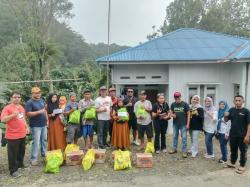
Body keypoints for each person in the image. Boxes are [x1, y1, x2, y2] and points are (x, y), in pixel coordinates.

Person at [1, 91, 29, 177]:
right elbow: (3, 120)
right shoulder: (7, 108)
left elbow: (23, 118)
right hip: (12, 135)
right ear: (11, 98)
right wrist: (13, 115)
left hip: (22, 134)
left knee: (21, 151)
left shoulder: (21, 107)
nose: (17, 99)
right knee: (12, 153)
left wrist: (26, 127)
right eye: (15, 97)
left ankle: (20, 164)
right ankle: (13, 170)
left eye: (18, 97)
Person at [225, 95, 250, 174]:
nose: (238, 102)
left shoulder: (246, 111)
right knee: (233, 150)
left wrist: (248, 135)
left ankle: (242, 165)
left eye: (239, 100)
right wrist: (225, 116)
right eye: (236, 100)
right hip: (233, 134)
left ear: (243, 101)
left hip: (243, 135)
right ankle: (232, 163)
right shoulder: (231, 110)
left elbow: (249, 124)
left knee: (243, 151)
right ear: (234, 101)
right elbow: (226, 120)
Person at [25, 87, 48, 166]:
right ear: (32, 93)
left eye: (39, 93)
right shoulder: (29, 102)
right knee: (36, 142)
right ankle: (33, 158)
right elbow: (28, 114)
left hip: (43, 124)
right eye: (36, 93)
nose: (38, 94)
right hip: (35, 126)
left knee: (44, 140)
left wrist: (47, 120)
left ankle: (44, 153)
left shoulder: (41, 100)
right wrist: (39, 112)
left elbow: (44, 110)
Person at [169, 92, 190, 158]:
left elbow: (189, 115)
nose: (177, 98)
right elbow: (171, 113)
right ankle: (174, 149)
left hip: (183, 124)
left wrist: (188, 124)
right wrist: (172, 115)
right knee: (175, 136)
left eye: (178, 97)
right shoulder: (173, 104)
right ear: (174, 97)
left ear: (180, 97)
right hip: (175, 124)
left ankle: (184, 151)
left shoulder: (185, 104)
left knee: (184, 138)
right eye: (176, 97)